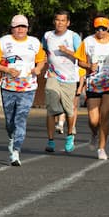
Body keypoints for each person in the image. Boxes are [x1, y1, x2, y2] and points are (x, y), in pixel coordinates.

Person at [0, 14, 47, 166]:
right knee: (9, 122)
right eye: (17, 27)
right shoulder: (3, 42)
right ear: (12, 28)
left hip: (28, 87)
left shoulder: (34, 42)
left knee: (21, 118)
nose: (20, 29)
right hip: (8, 86)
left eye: (23, 26)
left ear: (27, 28)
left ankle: (16, 151)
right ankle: (12, 138)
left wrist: (38, 69)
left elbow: (41, 60)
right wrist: (7, 69)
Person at [74, 14, 109, 160]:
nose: (101, 31)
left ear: (108, 27)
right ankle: (94, 134)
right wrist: (89, 66)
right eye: (98, 28)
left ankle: (101, 148)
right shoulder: (88, 42)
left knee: (104, 114)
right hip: (94, 83)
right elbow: (80, 61)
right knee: (93, 120)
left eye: (103, 28)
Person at [41, 10, 82, 154]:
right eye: (57, 20)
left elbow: (82, 56)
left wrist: (67, 52)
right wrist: (43, 63)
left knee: (69, 110)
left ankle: (70, 136)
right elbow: (43, 52)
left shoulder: (73, 37)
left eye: (63, 20)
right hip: (52, 75)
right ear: (54, 21)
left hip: (69, 78)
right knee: (51, 109)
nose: (60, 23)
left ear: (68, 23)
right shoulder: (47, 36)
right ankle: (50, 141)